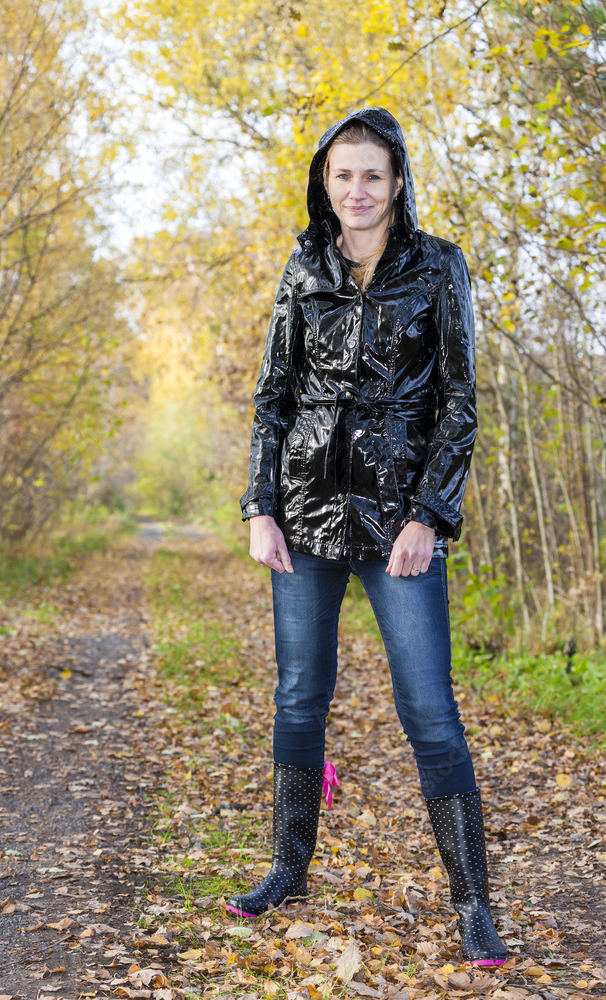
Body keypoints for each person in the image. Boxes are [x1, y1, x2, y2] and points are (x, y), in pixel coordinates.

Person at [227, 107, 506, 968]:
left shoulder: (438, 267)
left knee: (429, 711)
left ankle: (473, 904)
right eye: (342, 174)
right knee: (299, 695)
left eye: (372, 175)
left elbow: (460, 402)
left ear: (397, 184)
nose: (356, 190)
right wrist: (258, 506)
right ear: (326, 180)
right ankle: (286, 865)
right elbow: (274, 394)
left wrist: (429, 515)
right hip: (304, 514)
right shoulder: (303, 265)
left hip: (399, 525)